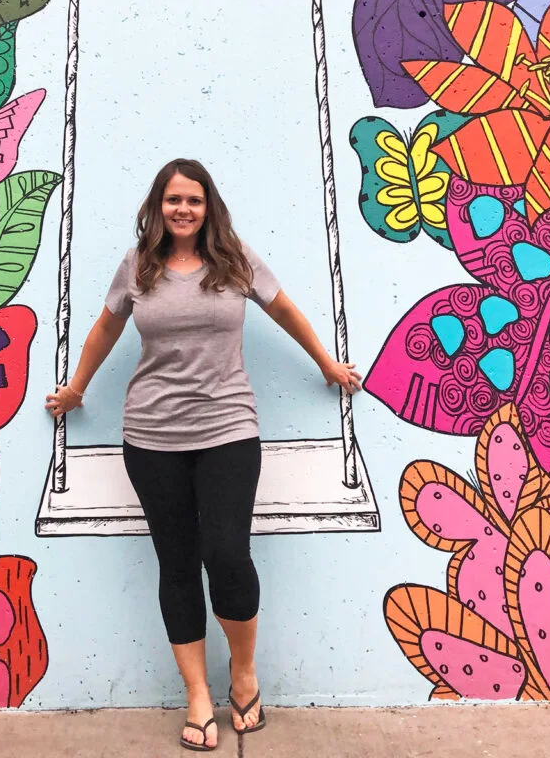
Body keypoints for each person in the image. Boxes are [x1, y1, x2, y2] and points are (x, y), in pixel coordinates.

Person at [45, 159, 361, 752]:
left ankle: (243, 675)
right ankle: (196, 694)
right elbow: (104, 331)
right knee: (177, 563)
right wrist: (77, 388)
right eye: (172, 200)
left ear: (208, 205)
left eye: (193, 200)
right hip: (151, 436)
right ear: (157, 207)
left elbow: (285, 309)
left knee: (227, 554)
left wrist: (325, 362)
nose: (183, 209)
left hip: (228, 429)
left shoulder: (234, 260)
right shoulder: (138, 266)